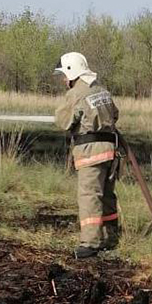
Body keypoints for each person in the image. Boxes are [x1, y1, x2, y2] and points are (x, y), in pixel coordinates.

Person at [53, 52, 120, 259]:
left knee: (89, 195)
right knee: (106, 195)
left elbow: (63, 121)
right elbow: (115, 114)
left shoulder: (76, 93)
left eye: (64, 75)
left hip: (90, 153)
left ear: (72, 72)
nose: (64, 80)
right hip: (110, 151)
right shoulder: (102, 90)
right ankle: (110, 238)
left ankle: (90, 243)